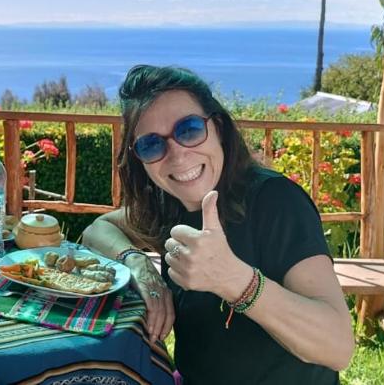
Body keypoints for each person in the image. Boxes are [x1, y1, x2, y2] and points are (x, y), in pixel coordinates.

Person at [82, 65, 354, 384]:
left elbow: (337, 347)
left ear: (219, 128)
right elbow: (98, 230)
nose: (178, 155)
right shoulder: (169, 204)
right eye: (151, 144)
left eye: (189, 130)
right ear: (140, 160)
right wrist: (140, 267)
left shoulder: (275, 201)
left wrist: (234, 281)